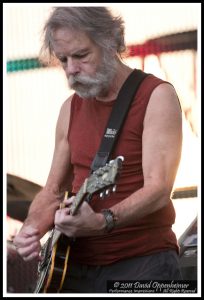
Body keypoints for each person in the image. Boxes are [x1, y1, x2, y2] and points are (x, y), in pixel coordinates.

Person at [13, 7, 183, 293]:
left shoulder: (156, 95)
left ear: (110, 42)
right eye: (63, 60)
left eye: (81, 56)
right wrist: (30, 231)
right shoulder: (70, 108)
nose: (70, 69)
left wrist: (103, 221)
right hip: (73, 266)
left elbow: (158, 189)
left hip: (142, 261)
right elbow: (53, 190)